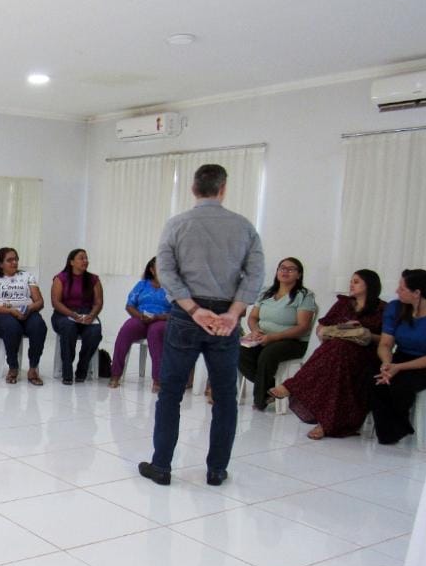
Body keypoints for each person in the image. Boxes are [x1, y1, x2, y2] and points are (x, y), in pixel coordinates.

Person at [139, 164, 264, 487]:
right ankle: (216, 470)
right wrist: (234, 313)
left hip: (185, 315)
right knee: (224, 396)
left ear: (194, 189)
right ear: (223, 189)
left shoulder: (177, 225)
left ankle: (162, 466)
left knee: (170, 393)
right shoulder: (244, 227)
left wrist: (194, 310)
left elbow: (166, 272)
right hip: (225, 319)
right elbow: (255, 275)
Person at [269, 270, 386, 439]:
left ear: (370, 285)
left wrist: (364, 332)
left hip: (365, 355)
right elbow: (321, 328)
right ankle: (325, 423)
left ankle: (293, 385)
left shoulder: (383, 309)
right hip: (336, 353)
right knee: (337, 353)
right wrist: (337, 330)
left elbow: (388, 339)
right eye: (351, 280)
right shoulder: (344, 304)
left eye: (356, 282)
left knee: (338, 352)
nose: (351, 284)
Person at [369, 269, 426, 445]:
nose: (397, 291)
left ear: (417, 293)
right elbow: (386, 344)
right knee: (374, 377)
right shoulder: (395, 308)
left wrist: (398, 368)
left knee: (402, 383)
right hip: (403, 356)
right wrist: (387, 364)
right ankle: (397, 427)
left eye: (402, 288)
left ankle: (395, 429)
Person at [238, 257, 317, 411]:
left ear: (299, 275)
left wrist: (273, 337)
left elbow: (303, 327)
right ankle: (272, 388)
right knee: (239, 351)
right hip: (262, 337)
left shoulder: (304, 295)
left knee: (268, 354)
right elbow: (253, 317)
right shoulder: (266, 292)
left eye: (291, 269)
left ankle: (260, 401)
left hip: (292, 340)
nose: (285, 271)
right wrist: (255, 330)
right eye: (282, 268)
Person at [0, 247, 48, 385]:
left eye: (16, 259)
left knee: (39, 326)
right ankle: (13, 367)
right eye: (10, 260)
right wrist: (10, 311)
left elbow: (39, 301)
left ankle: (33, 368)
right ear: (0, 264)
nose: (14, 262)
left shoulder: (27, 276)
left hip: (26, 313)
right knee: (12, 327)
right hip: (1, 315)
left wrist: (28, 309)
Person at [110, 256, 171, 390]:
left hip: (161, 320)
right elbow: (129, 306)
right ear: (152, 270)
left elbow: (177, 312)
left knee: (156, 332)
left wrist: (158, 317)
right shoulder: (142, 285)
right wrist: (140, 316)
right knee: (126, 329)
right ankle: (115, 374)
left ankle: (158, 380)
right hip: (141, 317)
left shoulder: (172, 288)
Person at [50, 248, 104, 385]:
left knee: (95, 332)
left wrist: (92, 315)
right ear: (72, 262)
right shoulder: (60, 278)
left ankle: (82, 367)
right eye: (81, 258)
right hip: (64, 314)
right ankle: (67, 371)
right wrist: (72, 314)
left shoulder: (93, 279)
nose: (85, 261)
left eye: (86, 258)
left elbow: (98, 302)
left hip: (86, 314)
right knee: (69, 328)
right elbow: (56, 302)